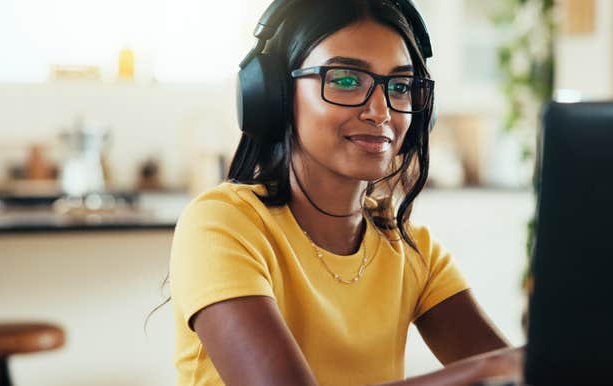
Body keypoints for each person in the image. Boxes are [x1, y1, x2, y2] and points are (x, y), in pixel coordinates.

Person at [169, 1, 523, 385]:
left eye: (400, 86)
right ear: (274, 95)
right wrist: (485, 370)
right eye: (346, 79)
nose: (381, 112)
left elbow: (518, 373)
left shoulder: (410, 250)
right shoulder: (222, 225)